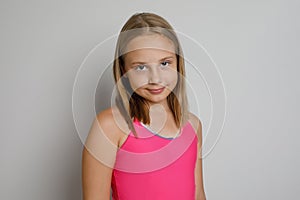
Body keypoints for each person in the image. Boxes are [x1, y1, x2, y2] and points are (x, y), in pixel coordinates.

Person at [82, 12, 206, 200]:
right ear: (123, 70)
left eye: (165, 63)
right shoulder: (110, 126)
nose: (155, 79)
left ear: (178, 64)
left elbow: (198, 195)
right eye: (141, 67)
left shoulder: (193, 126)